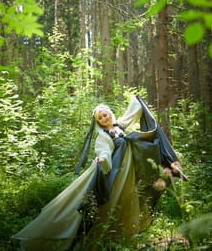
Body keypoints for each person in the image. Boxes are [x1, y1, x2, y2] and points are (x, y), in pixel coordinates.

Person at [12, 95, 186, 251]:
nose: (104, 118)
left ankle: (123, 235)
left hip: (128, 172)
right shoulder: (103, 135)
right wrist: (102, 159)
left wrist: (137, 99)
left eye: (105, 114)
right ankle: (83, 234)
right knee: (107, 200)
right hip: (115, 173)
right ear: (98, 121)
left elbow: (134, 111)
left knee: (127, 199)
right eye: (100, 118)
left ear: (110, 113)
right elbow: (103, 151)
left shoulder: (120, 126)